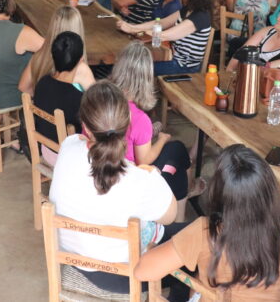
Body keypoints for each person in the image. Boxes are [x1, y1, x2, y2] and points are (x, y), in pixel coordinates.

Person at [48, 81, 180, 294]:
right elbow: (170, 216)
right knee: (198, 242)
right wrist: (155, 175)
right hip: (123, 276)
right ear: (128, 124)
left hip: (72, 258)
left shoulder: (68, 146)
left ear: (86, 125)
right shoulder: (139, 179)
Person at [134, 144, 280, 302]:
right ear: (270, 189)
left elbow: (143, 271)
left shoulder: (205, 231)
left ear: (218, 192)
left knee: (186, 277)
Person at [107, 43, 195, 206]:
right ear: (146, 77)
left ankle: (186, 191)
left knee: (177, 155)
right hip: (128, 181)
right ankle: (184, 199)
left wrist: (148, 134)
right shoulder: (140, 119)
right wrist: (162, 139)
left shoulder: (103, 99)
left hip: (105, 170)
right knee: (177, 152)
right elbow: (144, 160)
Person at [118, 0, 213, 75]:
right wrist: (131, 26)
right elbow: (161, 23)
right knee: (131, 61)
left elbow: (165, 34)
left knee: (133, 67)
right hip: (173, 58)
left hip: (184, 67)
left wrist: (133, 30)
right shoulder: (188, 9)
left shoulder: (200, 17)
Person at [31, 31, 87, 166]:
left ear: (53, 56)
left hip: (46, 151)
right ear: (81, 61)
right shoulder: (79, 98)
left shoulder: (41, 83)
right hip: (67, 159)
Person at [19, 5, 95, 96]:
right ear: (78, 30)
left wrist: (42, 102)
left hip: (43, 108)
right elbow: (98, 102)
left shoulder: (38, 57)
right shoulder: (81, 70)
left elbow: (23, 87)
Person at [227, 4, 280, 69]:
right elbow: (241, 52)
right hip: (245, 80)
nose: (278, 18)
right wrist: (229, 71)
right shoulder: (267, 31)